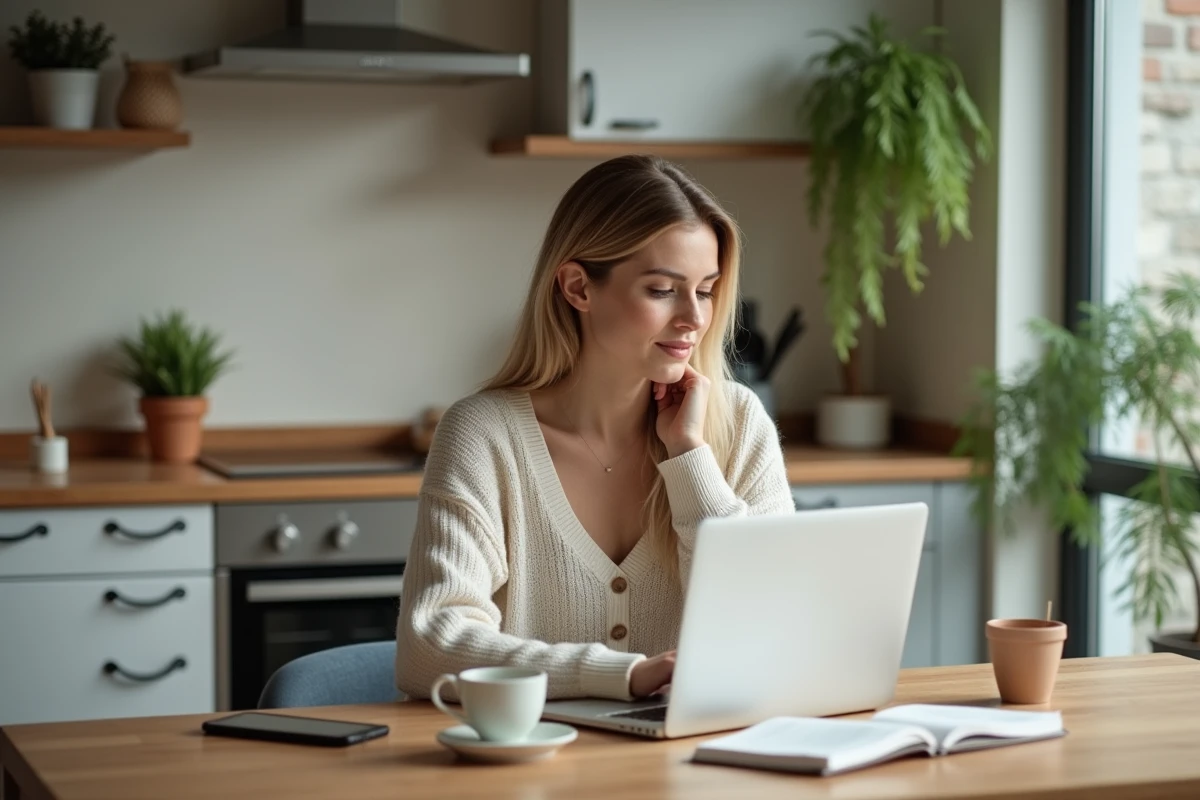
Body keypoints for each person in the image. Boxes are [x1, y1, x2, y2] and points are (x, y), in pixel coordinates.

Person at [395, 154, 794, 703]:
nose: (695, 318)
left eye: (705, 290)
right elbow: (428, 647)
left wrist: (690, 459)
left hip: (696, 755)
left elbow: (774, 629)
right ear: (578, 287)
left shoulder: (739, 424)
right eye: (662, 290)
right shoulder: (484, 436)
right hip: (535, 757)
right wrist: (616, 675)